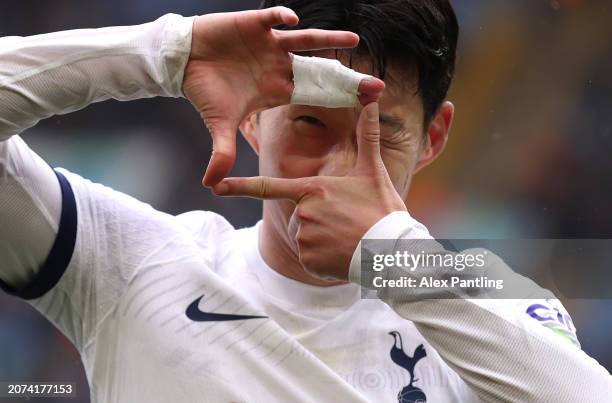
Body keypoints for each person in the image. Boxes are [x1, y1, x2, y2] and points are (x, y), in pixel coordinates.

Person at [0, 1, 610, 402]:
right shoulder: (128, 263)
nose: (341, 172)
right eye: (312, 125)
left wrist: (388, 254)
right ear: (251, 117)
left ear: (433, 138)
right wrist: (164, 54)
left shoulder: (488, 300)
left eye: (382, 134)